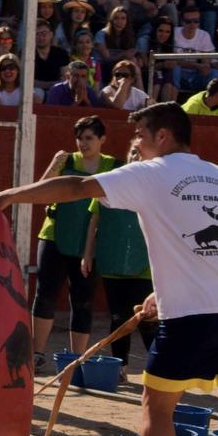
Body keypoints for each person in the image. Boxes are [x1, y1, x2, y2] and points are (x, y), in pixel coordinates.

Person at [0, 102, 218, 436]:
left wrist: (10, 196)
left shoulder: (151, 172)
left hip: (191, 319)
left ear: (162, 136)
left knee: (157, 408)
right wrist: (163, 292)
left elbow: (77, 186)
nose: (134, 145)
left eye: (139, 135)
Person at [26, 115, 118, 366]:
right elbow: (41, 192)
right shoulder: (65, 161)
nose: (83, 143)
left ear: (102, 139)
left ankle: (77, 359)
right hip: (54, 235)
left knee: (82, 298)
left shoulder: (113, 166)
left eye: (89, 138)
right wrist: (54, 165)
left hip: (88, 242)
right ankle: (37, 353)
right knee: (45, 293)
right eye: (79, 138)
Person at [80, 138, 159, 379]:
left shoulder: (157, 187)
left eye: (140, 153)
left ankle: (160, 370)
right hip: (114, 262)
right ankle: (120, 368)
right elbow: (94, 220)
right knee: (118, 317)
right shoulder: (110, 184)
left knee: (146, 318)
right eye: (132, 152)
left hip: (144, 266)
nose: (136, 157)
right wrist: (87, 254)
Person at [172, 4, 216, 94]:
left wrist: (204, 67)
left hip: (196, 75)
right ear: (182, 22)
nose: (192, 25)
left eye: (196, 21)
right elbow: (173, 62)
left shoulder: (204, 35)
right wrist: (196, 65)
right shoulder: (174, 33)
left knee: (215, 74)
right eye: (188, 21)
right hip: (178, 75)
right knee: (175, 68)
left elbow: (206, 62)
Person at [32, 20, 72, 101]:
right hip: (34, 90)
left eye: (44, 33)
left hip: (56, 88)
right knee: (37, 93)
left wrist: (54, 85)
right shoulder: (27, 54)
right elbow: (25, 80)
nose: (40, 37)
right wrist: (49, 84)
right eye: (37, 34)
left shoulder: (61, 53)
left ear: (51, 35)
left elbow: (66, 77)